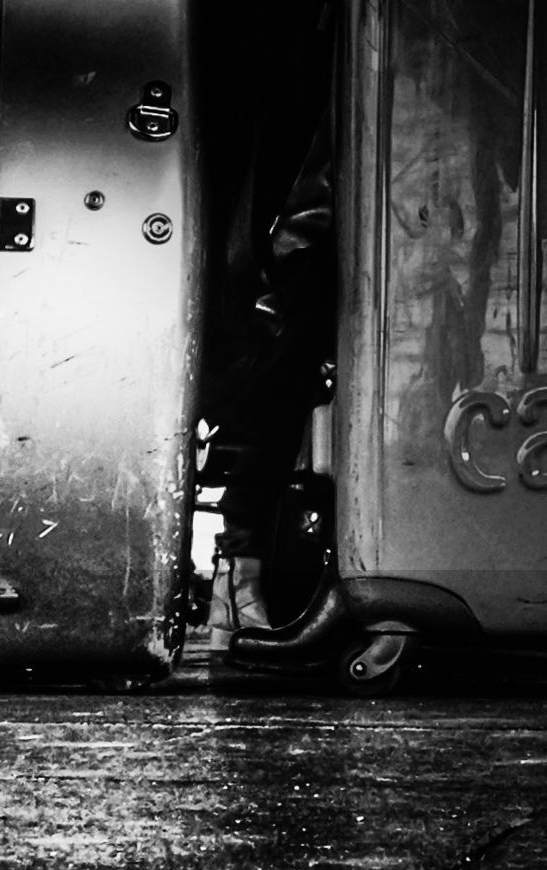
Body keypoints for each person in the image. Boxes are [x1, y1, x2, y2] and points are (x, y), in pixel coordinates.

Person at [197, 0, 337, 654]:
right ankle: (240, 573)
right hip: (284, 236)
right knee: (275, 358)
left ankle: (243, 574)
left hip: (305, 228)